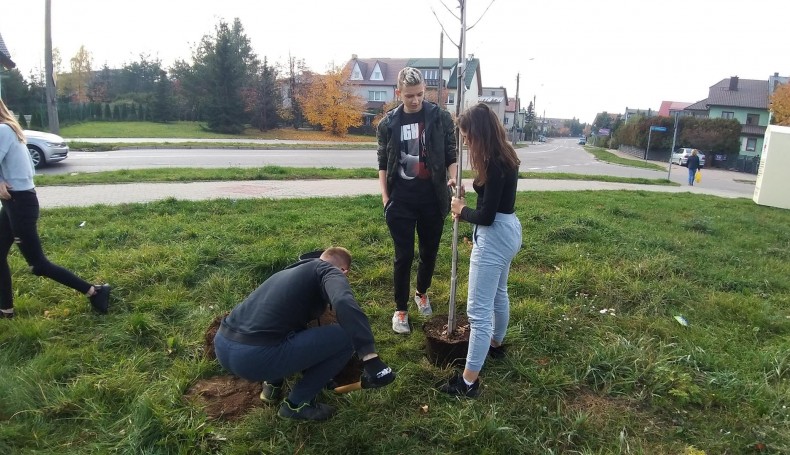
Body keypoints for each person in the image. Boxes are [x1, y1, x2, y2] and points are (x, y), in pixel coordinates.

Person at [213, 247, 396, 421]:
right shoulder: (329, 271)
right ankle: (296, 405)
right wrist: (370, 359)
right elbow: (342, 300)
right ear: (344, 271)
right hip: (255, 358)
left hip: (223, 346)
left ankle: (272, 385)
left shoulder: (288, 273)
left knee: (281, 326)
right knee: (346, 337)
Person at [438, 103, 522, 398]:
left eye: (466, 136)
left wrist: (461, 210)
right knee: (499, 292)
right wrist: (464, 194)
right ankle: (496, 345)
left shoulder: (495, 164)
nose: (464, 142)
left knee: (477, 312)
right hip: (509, 228)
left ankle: (469, 382)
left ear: (479, 134)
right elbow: (493, 199)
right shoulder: (502, 155)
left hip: (494, 237)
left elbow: (485, 216)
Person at [0, 99, 110, 319]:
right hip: (14, 202)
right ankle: (5, 310)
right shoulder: (8, 128)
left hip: (19, 203)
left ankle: (94, 291)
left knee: (37, 265)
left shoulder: (3, 129)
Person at [377, 67, 458, 334]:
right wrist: (385, 197)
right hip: (400, 199)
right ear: (398, 93)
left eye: (420, 94)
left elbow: (450, 153)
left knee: (429, 253)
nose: (415, 100)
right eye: (409, 95)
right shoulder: (388, 124)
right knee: (403, 256)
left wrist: (454, 178)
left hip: (432, 198)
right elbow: (382, 162)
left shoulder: (440, 118)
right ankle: (400, 310)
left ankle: (421, 292)